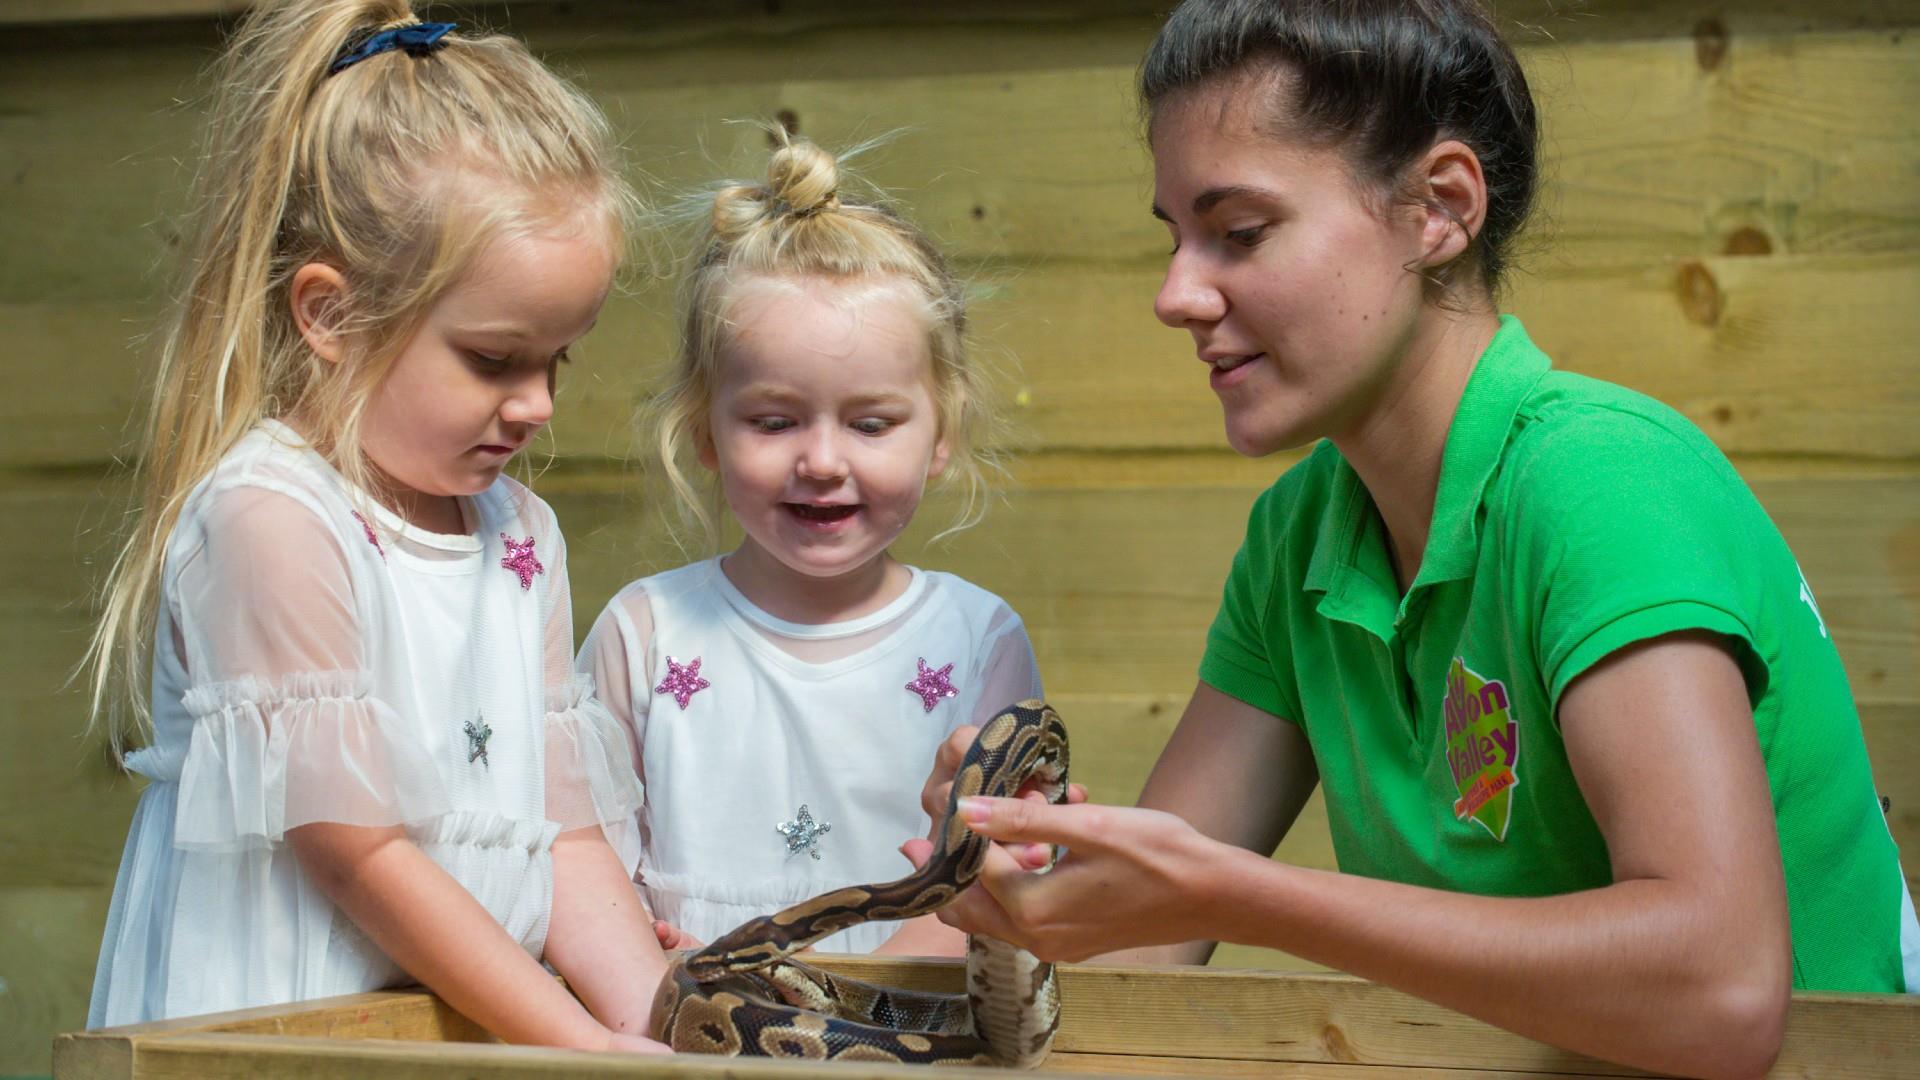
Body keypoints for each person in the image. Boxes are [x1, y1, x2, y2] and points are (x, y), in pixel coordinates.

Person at [906, 1, 1918, 1076]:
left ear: (1439, 208)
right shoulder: (1299, 534)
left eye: (1239, 232)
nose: (1176, 294)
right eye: (1174, 237)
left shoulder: (1601, 481)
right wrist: (1032, 874)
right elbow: (1149, 940)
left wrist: (1240, 895)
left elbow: (1721, 996)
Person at [82, 0, 668, 1052]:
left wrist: (662, 1023)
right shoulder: (272, 519)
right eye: (495, 360)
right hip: (290, 1039)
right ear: (332, 316)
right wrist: (577, 1046)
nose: (537, 404)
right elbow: (356, 854)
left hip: (468, 1026)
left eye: (557, 360)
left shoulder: (520, 534)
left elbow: (566, 838)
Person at [578, 134, 1043, 957]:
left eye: (870, 424)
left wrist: (851, 1018)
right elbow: (584, 857)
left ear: (941, 435)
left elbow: (996, 873)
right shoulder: (644, 633)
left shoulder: (977, 639)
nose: (822, 462)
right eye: (773, 421)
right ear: (706, 434)